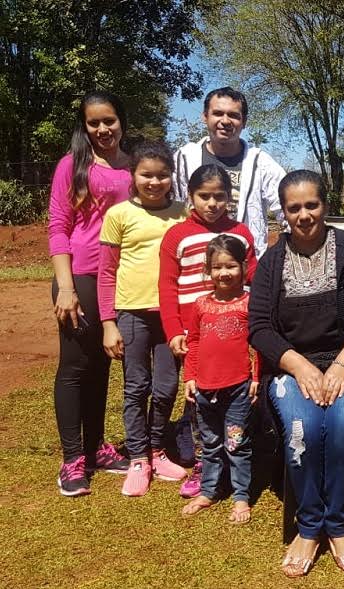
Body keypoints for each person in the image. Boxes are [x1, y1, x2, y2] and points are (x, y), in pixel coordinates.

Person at [249, 170, 344, 577]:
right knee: (305, 428)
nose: (303, 215)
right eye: (293, 208)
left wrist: (341, 365)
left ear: (324, 206)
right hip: (293, 365)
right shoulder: (271, 261)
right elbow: (259, 326)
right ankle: (310, 524)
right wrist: (298, 366)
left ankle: (341, 522)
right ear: (283, 212)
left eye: (311, 205)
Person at [47, 90, 132, 496]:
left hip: (117, 280)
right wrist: (65, 287)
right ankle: (72, 459)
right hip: (79, 277)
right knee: (75, 367)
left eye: (109, 120)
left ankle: (98, 447)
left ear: (121, 121)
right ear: (85, 126)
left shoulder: (134, 168)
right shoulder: (72, 166)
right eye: (94, 122)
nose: (102, 129)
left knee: (102, 366)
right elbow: (58, 226)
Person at [158, 164, 257, 499]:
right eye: (204, 196)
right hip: (192, 329)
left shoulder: (241, 232)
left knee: (232, 391)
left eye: (220, 196)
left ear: (230, 198)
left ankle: (235, 461)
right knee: (197, 396)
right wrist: (173, 329)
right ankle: (203, 463)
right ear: (190, 196)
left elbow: (255, 275)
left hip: (233, 326)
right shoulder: (176, 235)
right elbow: (167, 285)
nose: (212, 203)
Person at [98, 140, 189, 497]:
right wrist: (108, 323)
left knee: (166, 387)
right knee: (136, 386)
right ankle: (137, 457)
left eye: (162, 175)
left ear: (172, 176)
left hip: (171, 315)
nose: (154, 182)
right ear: (133, 176)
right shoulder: (118, 215)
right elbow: (107, 272)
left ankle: (157, 449)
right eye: (146, 175)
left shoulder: (183, 213)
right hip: (132, 313)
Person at [180, 235, 258, 524]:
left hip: (238, 388)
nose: (224, 273)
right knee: (210, 444)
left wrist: (256, 378)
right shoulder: (201, 304)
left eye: (231, 266)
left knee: (236, 444)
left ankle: (240, 496)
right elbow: (195, 342)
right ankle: (209, 491)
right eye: (217, 267)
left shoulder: (250, 303)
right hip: (204, 389)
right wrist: (190, 376)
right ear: (208, 270)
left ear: (243, 266)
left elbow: (258, 345)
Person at [172, 86, 285, 259]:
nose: (225, 121)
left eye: (233, 115)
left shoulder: (261, 163)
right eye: (218, 113)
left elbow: (289, 209)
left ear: (244, 121)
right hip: (192, 264)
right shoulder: (184, 158)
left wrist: (277, 259)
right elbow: (168, 209)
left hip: (244, 268)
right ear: (205, 117)